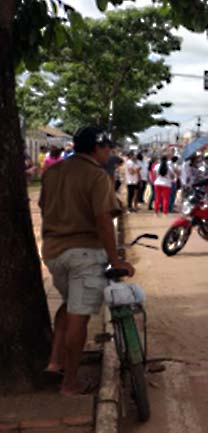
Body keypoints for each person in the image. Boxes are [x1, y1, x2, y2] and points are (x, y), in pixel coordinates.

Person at [40, 126, 135, 396]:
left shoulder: (54, 172)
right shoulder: (96, 176)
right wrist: (116, 259)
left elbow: (44, 207)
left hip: (53, 252)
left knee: (69, 306)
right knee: (79, 318)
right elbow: (104, 221)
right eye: (108, 147)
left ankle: (55, 361)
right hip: (84, 253)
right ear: (97, 147)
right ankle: (70, 383)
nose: (110, 152)